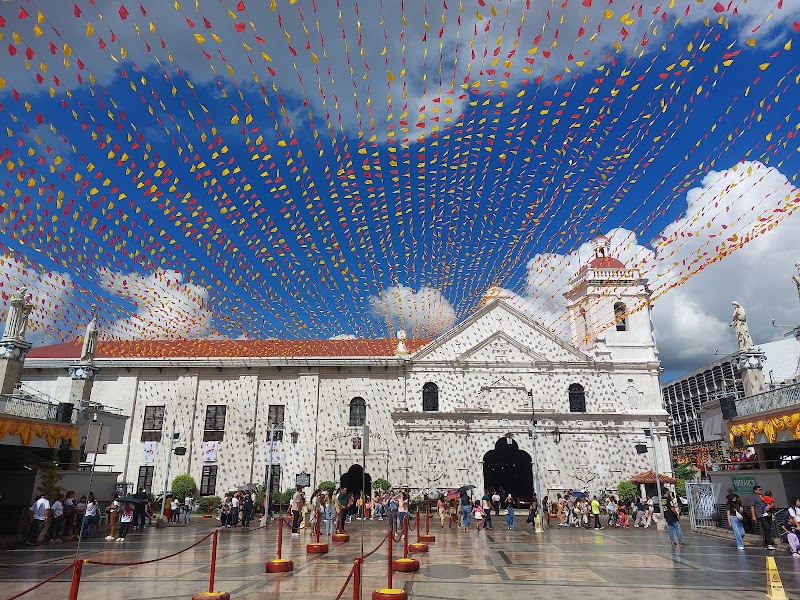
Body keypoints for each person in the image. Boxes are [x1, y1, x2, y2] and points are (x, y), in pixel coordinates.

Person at [751, 485, 775, 550]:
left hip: (768, 514)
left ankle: (767, 543)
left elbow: (772, 503)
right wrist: (753, 516)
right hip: (760, 515)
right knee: (767, 527)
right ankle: (769, 543)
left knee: (768, 528)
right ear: (755, 491)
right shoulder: (754, 497)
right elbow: (752, 507)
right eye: (759, 490)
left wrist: (769, 507)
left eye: (761, 489)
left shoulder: (765, 496)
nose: (761, 491)